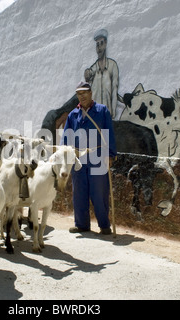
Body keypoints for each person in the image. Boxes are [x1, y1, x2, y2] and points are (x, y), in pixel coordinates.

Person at [62, 81, 117, 235]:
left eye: (84, 92)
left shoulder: (102, 110)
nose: (82, 96)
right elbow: (66, 137)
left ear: (91, 93)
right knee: (79, 191)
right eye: (79, 94)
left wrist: (110, 154)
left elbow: (109, 133)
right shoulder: (73, 115)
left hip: (98, 157)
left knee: (99, 192)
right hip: (79, 158)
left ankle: (104, 225)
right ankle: (82, 224)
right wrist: (65, 155)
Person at [85, 29, 120, 119]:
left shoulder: (112, 66)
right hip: (93, 115)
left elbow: (114, 89)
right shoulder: (93, 69)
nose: (99, 47)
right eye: (97, 45)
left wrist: (112, 112)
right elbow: (88, 76)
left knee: (106, 133)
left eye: (101, 43)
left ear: (106, 43)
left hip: (106, 114)